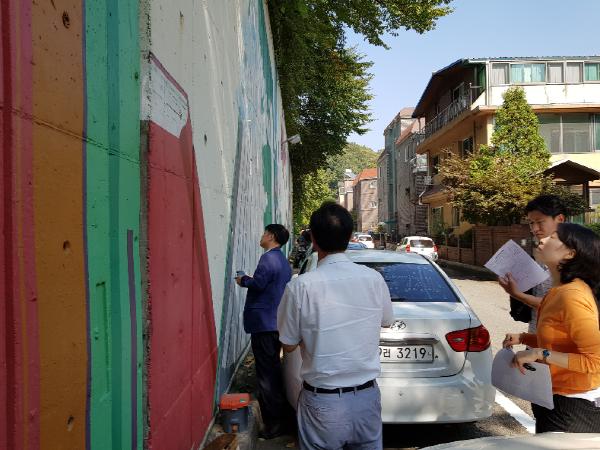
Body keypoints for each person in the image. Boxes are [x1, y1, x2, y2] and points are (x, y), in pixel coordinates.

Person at [277, 202, 394, 450]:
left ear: (313, 239)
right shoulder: (374, 279)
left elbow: (288, 345)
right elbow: (385, 321)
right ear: (350, 237)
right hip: (367, 399)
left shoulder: (300, 287)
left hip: (323, 403)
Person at [503, 223, 600, 433]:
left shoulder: (572, 296)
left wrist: (539, 353)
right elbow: (559, 340)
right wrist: (523, 338)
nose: (543, 239)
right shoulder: (558, 291)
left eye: (553, 237)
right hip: (555, 399)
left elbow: (595, 361)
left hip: (573, 407)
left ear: (570, 254)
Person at [236, 224, 293, 439]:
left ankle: (274, 423)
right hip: (274, 322)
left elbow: (259, 284)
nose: (261, 236)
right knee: (273, 371)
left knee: (267, 375)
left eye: (264, 233)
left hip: (263, 324)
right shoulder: (282, 261)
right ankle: (279, 417)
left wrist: (244, 280)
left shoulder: (268, 259)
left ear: (271, 236)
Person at [499, 195, 566, 332]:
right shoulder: (540, 252)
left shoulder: (577, 258)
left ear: (560, 219)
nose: (534, 228)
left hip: (562, 341)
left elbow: (566, 307)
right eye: (531, 223)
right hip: (536, 334)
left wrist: (518, 294)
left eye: (540, 222)